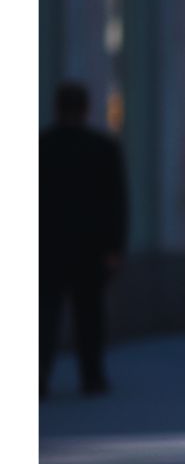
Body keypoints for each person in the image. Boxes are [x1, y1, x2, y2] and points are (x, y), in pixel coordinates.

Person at [40, 81, 128, 397]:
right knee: (89, 314)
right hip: (91, 248)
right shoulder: (103, 148)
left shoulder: (42, 147)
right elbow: (116, 202)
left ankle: (39, 376)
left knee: (44, 315)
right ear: (87, 109)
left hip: (47, 246)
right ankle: (92, 376)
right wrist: (115, 248)